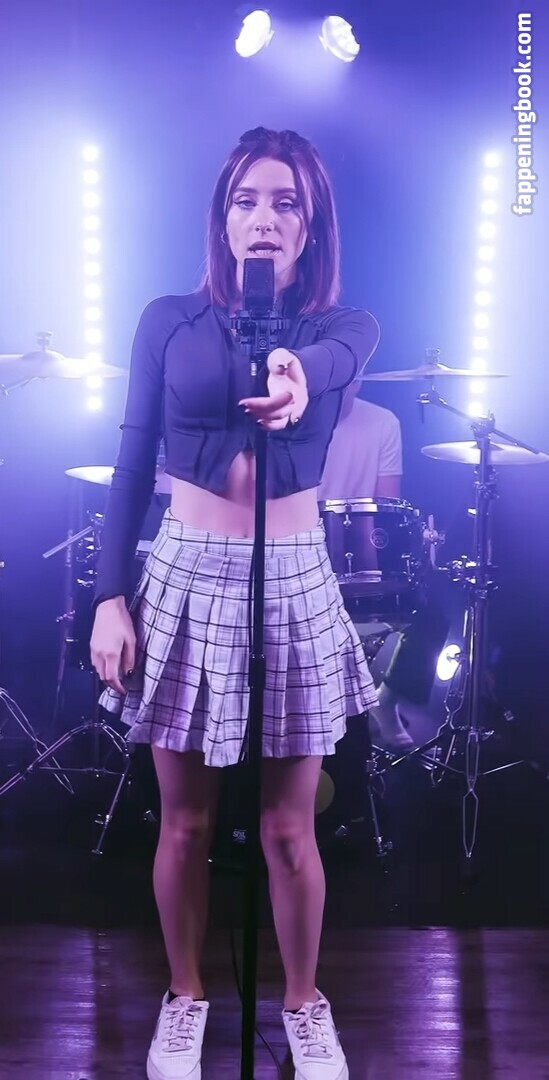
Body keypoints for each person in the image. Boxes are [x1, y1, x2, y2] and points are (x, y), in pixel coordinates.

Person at [90, 126, 380, 1080]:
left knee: (290, 828)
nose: (264, 217)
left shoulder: (342, 330)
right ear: (221, 219)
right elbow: (131, 460)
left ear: (310, 227)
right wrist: (109, 596)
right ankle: (184, 997)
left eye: (285, 203)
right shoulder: (166, 321)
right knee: (185, 822)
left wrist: (297, 376)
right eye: (246, 200)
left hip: (293, 573)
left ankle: (303, 1003)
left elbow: (333, 362)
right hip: (185, 570)